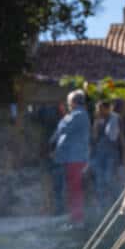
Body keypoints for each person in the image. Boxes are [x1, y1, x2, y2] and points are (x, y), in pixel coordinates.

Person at [49, 89, 91, 225]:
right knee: (73, 189)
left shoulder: (78, 114)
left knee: (75, 189)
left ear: (73, 102)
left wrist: (64, 116)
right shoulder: (77, 115)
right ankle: (74, 218)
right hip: (72, 158)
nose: (68, 104)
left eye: (69, 102)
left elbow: (62, 128)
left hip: (76, 158)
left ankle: (77, 219)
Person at [91, 100, 122, 210]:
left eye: (99, 108)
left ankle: (116, 204)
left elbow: (117, 137)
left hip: (111, 154)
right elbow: (94, 138)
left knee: (110, 179)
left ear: (106, 108)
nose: (97, 111)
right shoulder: (98, 121)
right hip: (99, 154)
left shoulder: (115, 118)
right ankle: (103, 206)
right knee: (100, 180)